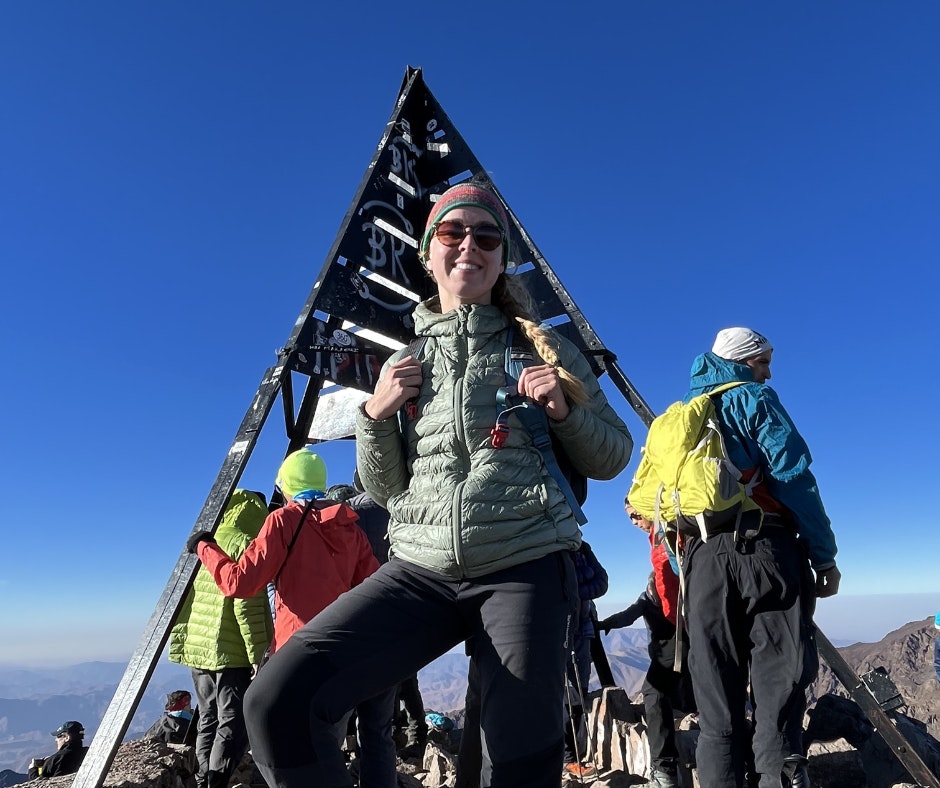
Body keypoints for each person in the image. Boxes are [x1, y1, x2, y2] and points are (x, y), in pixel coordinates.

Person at [243, 181, 634, 788]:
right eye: (452, 233)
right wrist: (375, 416)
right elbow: (384, 488)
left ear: (502, 258)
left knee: (518, 764)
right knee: (276, 702)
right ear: (429, 254)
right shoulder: (407, 358)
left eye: (486, 236)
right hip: (419, 568)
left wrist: (563, 409)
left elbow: (613, 456)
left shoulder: (545, 346)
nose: (468, 246)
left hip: (524, 561)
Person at [680, 327, 840, 788]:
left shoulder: (682, 416)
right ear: (743, 361)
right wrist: (824, 558)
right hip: (766, 552)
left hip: (702, 561)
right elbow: (794, 479)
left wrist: (688, 571)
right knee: (778, 692)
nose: (768, 374)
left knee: (716, 710)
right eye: (762, 362)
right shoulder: (753, 400)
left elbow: (662, 512)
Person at [188, 450, 385, 785]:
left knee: (276, 743)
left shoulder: (283, 521)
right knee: (323, 746)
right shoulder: (350, 529)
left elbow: (239, 582)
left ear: (286, 484)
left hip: (293, 654)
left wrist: (204, 546)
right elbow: (372, 591)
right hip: (340, 655)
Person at [171, 489, 273, 788]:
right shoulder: (245, 542)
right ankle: (216, 782)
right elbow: (248, 604)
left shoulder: (204, 543)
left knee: (208, 718)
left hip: (198, 649)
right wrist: (259, 655)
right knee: (234, 722)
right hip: (230, 651)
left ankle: (204, 779)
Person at [598, 504, 693, 788]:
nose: (633, 521)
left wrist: (605, 625)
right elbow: (628, 615)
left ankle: (663, 770)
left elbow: (630, 614)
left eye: (634, 515)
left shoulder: (655, 590)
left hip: (673, 654)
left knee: (654, 692)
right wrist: (606, 625)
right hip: (686, 650)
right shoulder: (661, 590)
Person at [562, 542, 608, 779]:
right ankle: (568, 758)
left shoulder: (582, 549)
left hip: (582, 630)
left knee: (578, 693)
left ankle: (573, 757)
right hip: (557, 631)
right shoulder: (550, 548)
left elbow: (602, 583)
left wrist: (575, 592)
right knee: (563, 696)